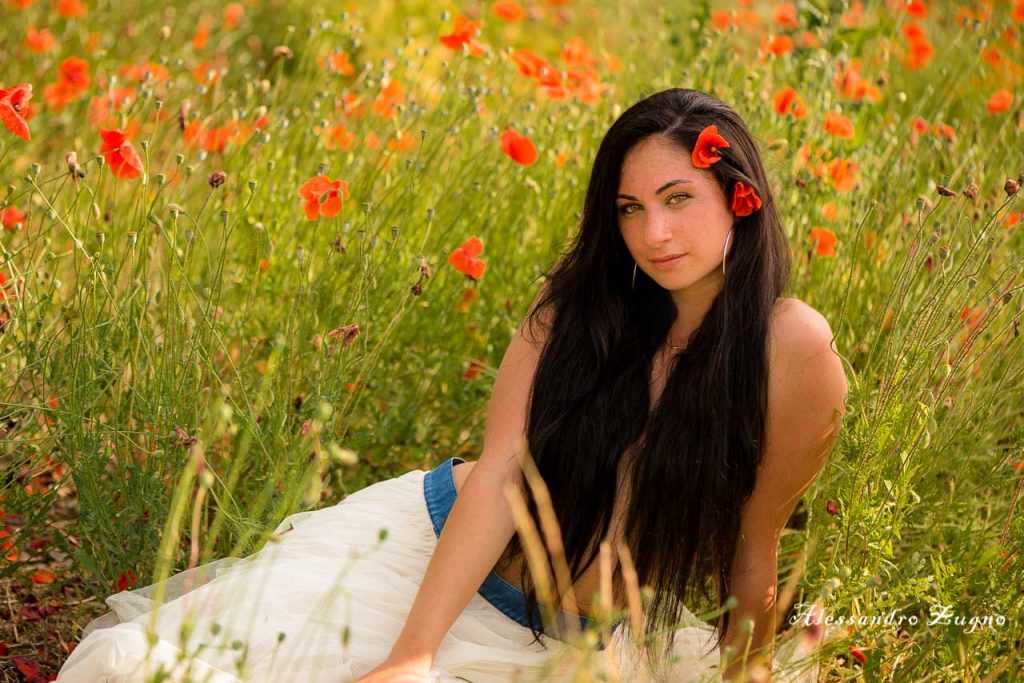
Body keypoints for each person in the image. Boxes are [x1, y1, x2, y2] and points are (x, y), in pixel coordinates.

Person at [56, 87, 848, 682]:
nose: (653, 233)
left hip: (590, 642)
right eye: (631, 208)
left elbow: (755, 547)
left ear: (740, 198)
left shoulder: (790, 347)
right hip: (427, 564)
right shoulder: (581, 303)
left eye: (679, 199)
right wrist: (415, 652)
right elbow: (503, 467)